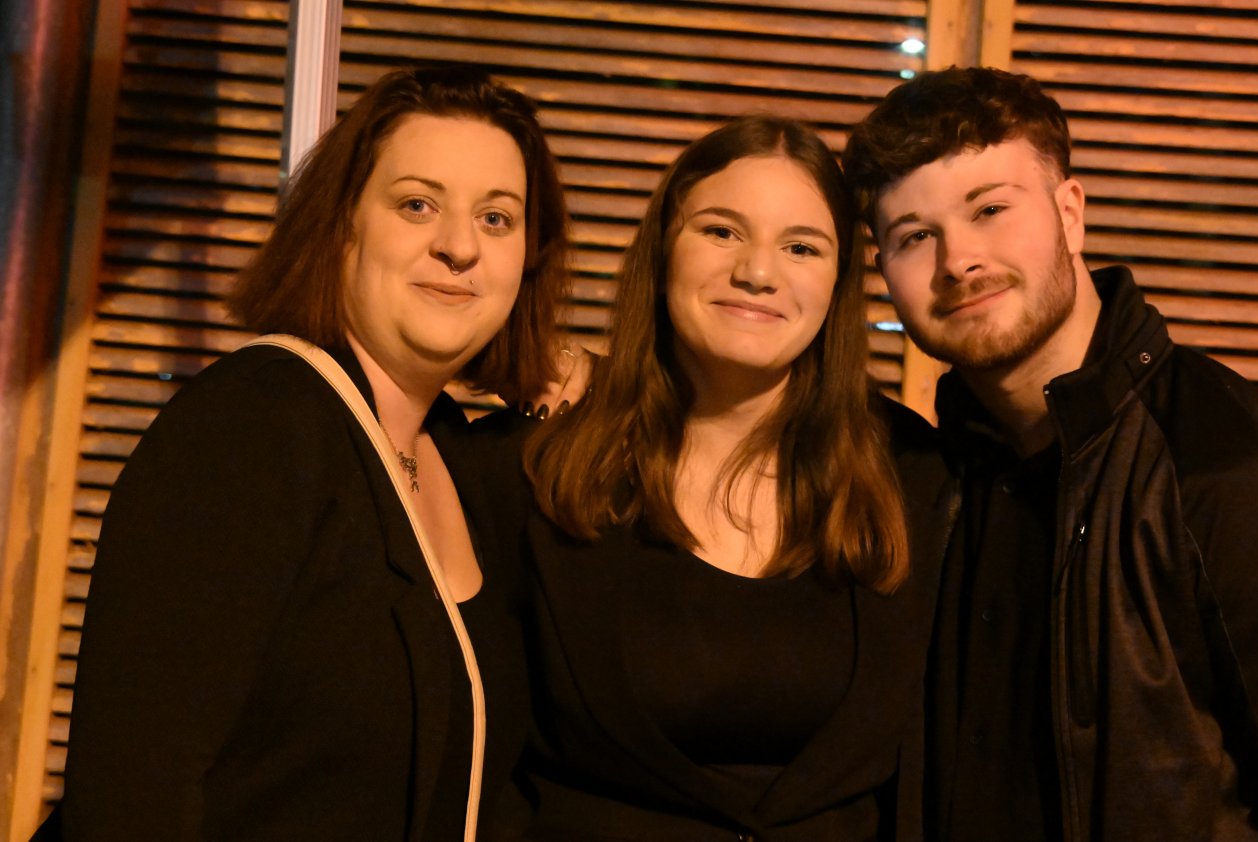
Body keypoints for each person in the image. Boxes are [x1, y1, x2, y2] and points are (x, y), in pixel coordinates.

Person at [59, 65, 569, 840]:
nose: (460, 247)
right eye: (417, 205)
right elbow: (133, 787)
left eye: (496, 219)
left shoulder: (465, 463)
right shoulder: (255, 423)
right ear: (342, 224)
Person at [844, 66, 1258, 840]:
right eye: (914, 236)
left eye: (990, 209)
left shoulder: (1232, 464)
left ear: (1070, 212)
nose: (958, 261)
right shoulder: (921, 475)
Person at [475, 115, 952, 840]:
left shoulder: (917, 477)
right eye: (722, 231)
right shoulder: (535, 468)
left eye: (801, 247)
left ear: (838, 282)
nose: (757, 272)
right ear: (664, 248)